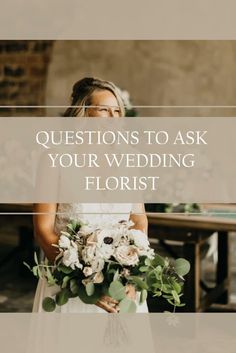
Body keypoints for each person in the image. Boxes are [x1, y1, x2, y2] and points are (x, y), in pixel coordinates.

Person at [32, 77, 149, 313]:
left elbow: (138, 219)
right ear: (84, 113)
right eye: (105, 110)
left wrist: (131, 273)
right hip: (69, 287)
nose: (114, 117)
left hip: (121, 286)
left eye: (117, 110)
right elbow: (44, 230)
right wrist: (86, 284)